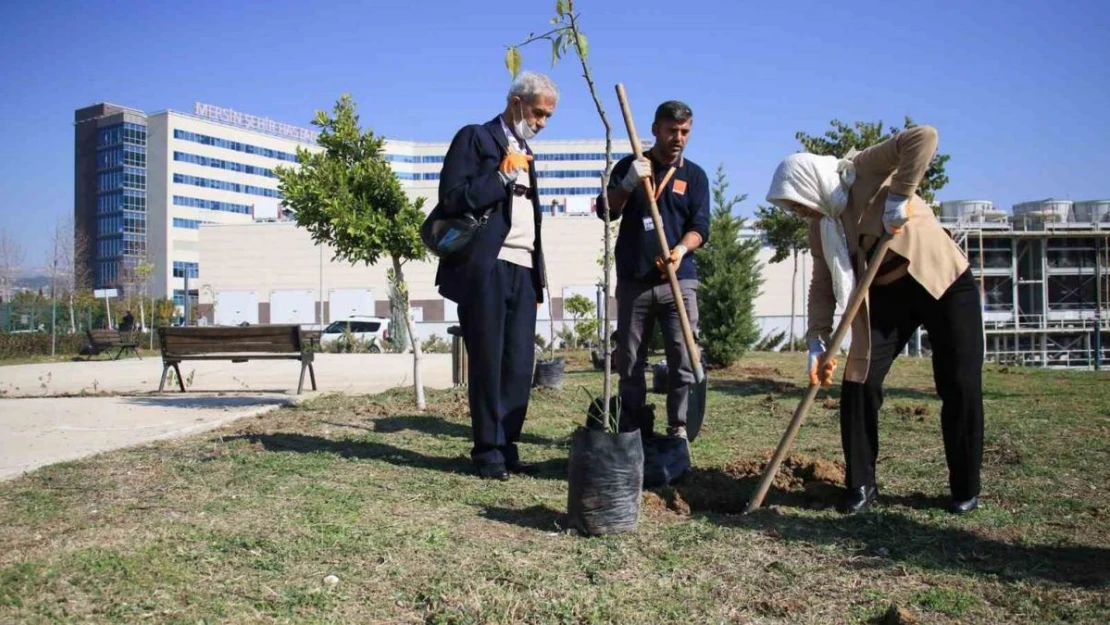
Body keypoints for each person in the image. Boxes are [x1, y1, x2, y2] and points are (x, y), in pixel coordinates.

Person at [765, 125, 984, 515]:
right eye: (792, 207)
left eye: (796, 202)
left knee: (959, 383)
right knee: (858, 383)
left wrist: (898, 197)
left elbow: (925, 137)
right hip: (885, 298)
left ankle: (965, 486)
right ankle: (861, 485)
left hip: (941, 282)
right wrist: (816, 340)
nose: (798, 211)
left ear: (809, 183)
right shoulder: (823, 224)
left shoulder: (861, 170)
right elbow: (821, 284)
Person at [434, 71, 557, 480]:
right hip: (486, 266)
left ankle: (508, 443)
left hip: (523, 268)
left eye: (547, 117)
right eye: (538, 113)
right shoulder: (475, 138)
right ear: (516, 102)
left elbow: (531, 221)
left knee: (520, 364)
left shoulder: (526, 150)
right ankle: (487, 449)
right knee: (487, 360)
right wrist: (500, 176)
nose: (541, 122)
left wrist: (538, 280)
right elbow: (451, 199)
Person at [597, 100, 710, 439]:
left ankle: (678, 427)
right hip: (635, 280)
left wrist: (679, 249)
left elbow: (700, 227)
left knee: (683, 357)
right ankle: (634, 426)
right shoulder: (629, 165)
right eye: (672, 131)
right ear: (655, 130)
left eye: (685, 131)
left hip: (679, 280)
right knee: (630, 358)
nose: (679, 138)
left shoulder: (695, 176)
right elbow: (605, 211)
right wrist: (629, 183)